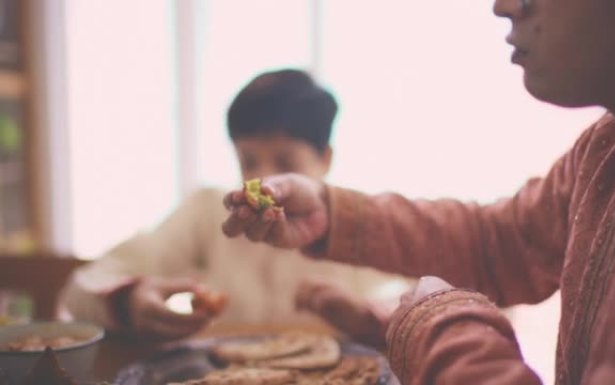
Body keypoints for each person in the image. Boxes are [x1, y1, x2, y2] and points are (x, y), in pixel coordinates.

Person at [221, 0, 615, 384]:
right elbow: (501, 242)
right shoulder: (610, 146)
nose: (503, 6)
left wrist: (435, 322)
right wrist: (330, 211)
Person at [60, 69, 411, 342]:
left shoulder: (357, 222)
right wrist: (128, 301)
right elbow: (82, 288)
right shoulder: (210, 211)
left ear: (326, 158)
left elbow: (419, 302)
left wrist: (367, 316)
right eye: (248, 161)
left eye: (285, 159)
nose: (264, 180)